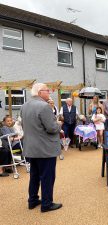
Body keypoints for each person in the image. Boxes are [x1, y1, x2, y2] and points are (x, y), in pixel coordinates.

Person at [21, 83, 62, 212]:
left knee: (34, 176)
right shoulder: (44, 106)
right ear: (39, 92)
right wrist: (59, 124)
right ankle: (46, 204)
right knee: (47, 177)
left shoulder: (24, 106)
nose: (49, 92)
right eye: (47, 90)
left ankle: (32, 201)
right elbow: (51, 128)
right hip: (45, 149)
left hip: (31, 148)